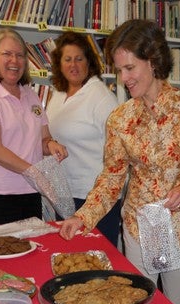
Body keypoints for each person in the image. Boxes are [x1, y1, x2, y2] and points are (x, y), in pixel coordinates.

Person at [59, 19, 180, 304]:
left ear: (153, 61)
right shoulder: (120, 118)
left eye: (130, 68)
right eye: (119, 70)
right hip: (138, 225)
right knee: (135, 303)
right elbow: (112, 176)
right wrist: (83, 217)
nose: (123, 78)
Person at [0, 28, 67, 225]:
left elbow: (43, 139)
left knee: (32, 249)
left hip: (29, 191)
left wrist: (52, 145)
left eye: (20, 55)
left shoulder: (30, 94)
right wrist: (34, 172)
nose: (14, 60)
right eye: (7, 54)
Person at [47, 31, 121, 245]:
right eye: (67, 59)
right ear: (59, 63)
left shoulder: (101, 97)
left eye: (79, 59)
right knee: (70, 261)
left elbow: (118, 150)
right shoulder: (58, 95)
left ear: (89, 62)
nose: (74, 65)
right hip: (63, 195)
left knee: (98, 262)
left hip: (95, 196)